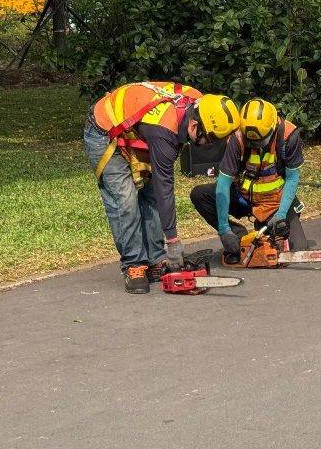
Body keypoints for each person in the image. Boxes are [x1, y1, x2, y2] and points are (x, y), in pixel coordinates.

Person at [84, 83, 241, 293]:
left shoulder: (201, 105)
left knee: (151, 196)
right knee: (125, 201)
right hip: (104, 130)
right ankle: (134, 265)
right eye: (209, 139)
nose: (207, 145)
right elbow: (164, 187)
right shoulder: (164, 130)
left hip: (135, 130)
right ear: (194, 125)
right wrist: (173, 242)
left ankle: (156, 260)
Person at [189, 98, 307, 263]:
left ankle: (267, 229)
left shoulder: (289, 136)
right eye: (251, 142)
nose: (255, 145)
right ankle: (238, 236)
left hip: (275, 203)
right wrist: (224, 229)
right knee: (200, 194)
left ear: (273, 127)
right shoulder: (237, 137)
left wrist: (281, 214)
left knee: (299, 249)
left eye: (260, 142)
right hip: (244, 198)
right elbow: (223, 184)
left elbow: (292, 178)